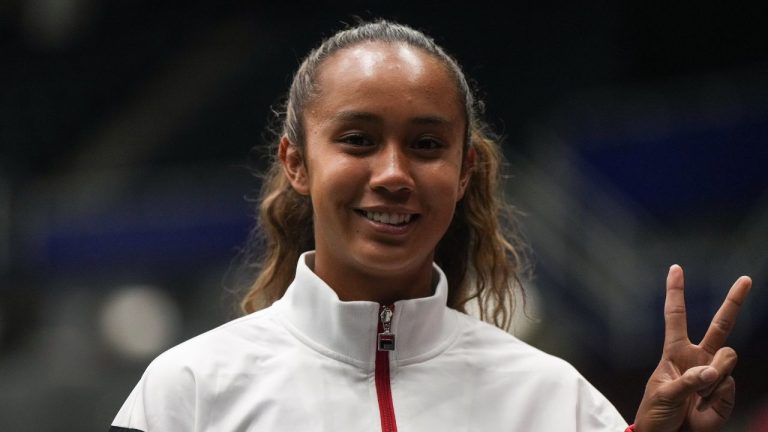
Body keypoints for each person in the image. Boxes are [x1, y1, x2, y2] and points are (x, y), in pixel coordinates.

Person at [109, 20, 752, 431]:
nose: (393, 173)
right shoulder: (189, 392)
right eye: (358, 140)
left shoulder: (554, 400)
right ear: (297, 164)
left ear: (464, 170)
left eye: (425, 145)